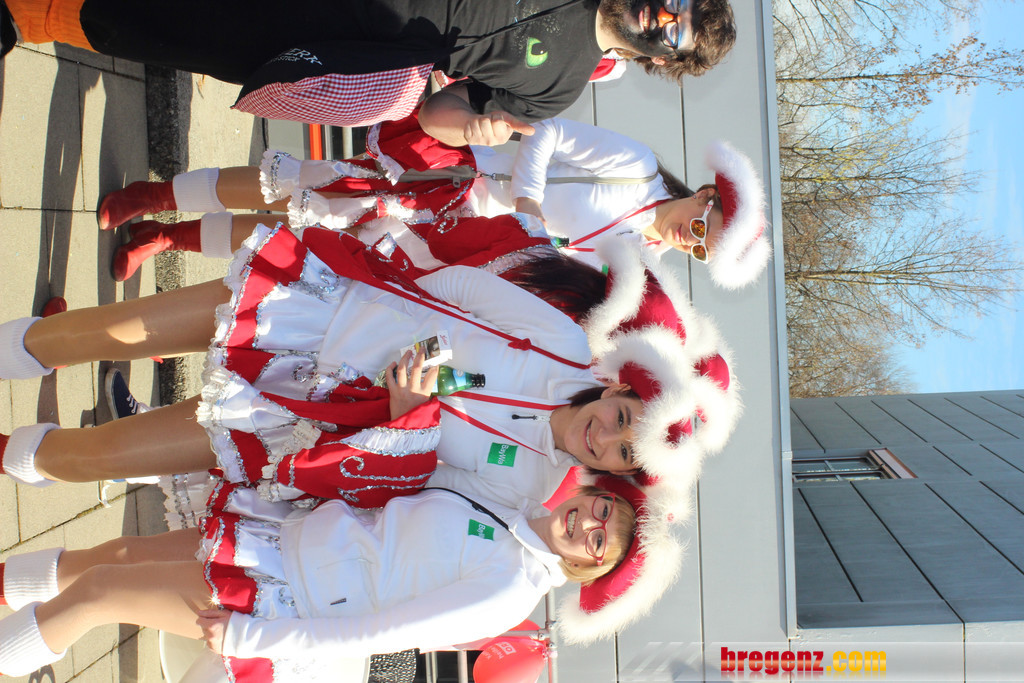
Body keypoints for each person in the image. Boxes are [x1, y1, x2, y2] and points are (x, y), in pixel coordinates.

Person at [0, 225, 739, 515]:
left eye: (620, 453)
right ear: (617, 386)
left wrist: (402, 414)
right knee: (115, 328)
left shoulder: (530, 489)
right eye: (621, 418)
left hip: (297, 423)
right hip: (318, 314)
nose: (603, 437)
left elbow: (419, 490)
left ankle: (13, 455)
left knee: (107, 453)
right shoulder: (562, 343)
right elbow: (459, 288)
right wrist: (408, 326)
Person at [0, 475, 664, 681]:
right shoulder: (511, 509)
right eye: (602, 509)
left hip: (282, 597)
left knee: (99, 593)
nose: (589, 522)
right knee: (119, 557)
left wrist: (257, 636)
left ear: (588, 568)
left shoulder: (510, 588)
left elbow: (380, 633)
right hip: (278, 541)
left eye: (598, 541)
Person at [100, 115, 771, 289]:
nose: (691, 238)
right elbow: (549, 135)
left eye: (702, 249)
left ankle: (167, 239)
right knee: (304, 184)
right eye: (704, 224)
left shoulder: (637, 267)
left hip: (453, 240)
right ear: (705, 194)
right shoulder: (639, 167)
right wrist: (530, 205)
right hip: (450, 176)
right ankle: (153, 196)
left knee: (302, 236)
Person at [1, 0, 736, 143]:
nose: (662, 10)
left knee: (179, 29)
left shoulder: (558, 90)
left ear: (661, 59)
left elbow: (434, 117)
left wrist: (472, 130)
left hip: (348, 45)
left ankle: (28, 19)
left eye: (674, 28)